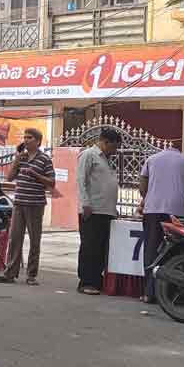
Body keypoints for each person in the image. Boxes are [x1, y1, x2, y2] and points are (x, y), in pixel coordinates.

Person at [0, 128, 55, 286]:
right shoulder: (22, 157)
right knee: (15, 238)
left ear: (38, 141)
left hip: (35, 204)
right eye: (25, 137)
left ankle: (31, 275)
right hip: (19, 202)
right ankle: (10, 273)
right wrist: (17, 160)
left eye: (30, 138)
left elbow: (52, 183)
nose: (26, 140)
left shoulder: (44, 159)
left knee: (34, 240)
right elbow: (10, 177)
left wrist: (36, 175)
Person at [138, 140, 184, 302]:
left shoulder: (151, 159)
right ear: (179, 149)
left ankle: (149, 293)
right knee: (175, 252)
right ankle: (171, 295)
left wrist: (149, 200)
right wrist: (183, 207)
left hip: (153, 212)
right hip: (177, 213)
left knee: (151, 250)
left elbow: (142, 187)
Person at [75, 127, 122, 296]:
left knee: (101, 247)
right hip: (92, 209)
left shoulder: (106, 159)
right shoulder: (89, 155)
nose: (115, 151)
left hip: (106, 210)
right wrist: (85, 204)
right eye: (114, 147)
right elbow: (81, 180)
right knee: (90, 246)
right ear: (105, 142)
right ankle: (85, 281)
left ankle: (96, 279)